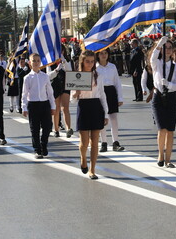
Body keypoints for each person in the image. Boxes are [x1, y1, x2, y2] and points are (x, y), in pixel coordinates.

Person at [71, 50, 109, 179]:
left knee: (95, 141)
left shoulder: (98, 75)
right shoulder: (77, 76)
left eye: (92, 61)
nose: (90, 64)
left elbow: (102, 95)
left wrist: (106, 114)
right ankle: (83, 158)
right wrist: (76, 93)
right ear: (82, 62)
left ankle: (92, 170)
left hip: (96, 106)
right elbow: (73, 99)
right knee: (84, 142)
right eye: (87, 61)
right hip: (83, 106)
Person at [150, 37, 176, 168]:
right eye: (165, 47)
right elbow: (152, 58)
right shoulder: (156, 63)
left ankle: (168, 159)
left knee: (170, 130)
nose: (167, 50)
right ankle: (160, 155)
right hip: (158, 97)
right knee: (161, 129)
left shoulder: (175, 66)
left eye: (169, 48)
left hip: (171, 97)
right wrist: (159, 45)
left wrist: (168, 84)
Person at [22, 53, 56, 159]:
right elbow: (24, 94)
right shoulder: (27, 78)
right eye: (34, 61)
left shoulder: (45, 76)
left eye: (38, 60)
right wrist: (24, 107)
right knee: (35, 128)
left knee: (47, 127)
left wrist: (53, 106)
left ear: (40, 62)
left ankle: (44, 145)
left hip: (44, 104)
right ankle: (37, 149)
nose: (36, 63)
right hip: (33, 104)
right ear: (30, 63)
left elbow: (50, 92)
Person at [96, 49, 125, 152]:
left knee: (113, 118)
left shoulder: (112, 67)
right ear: (98, 55)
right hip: (100, 93)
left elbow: (117, 82)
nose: (103, 55)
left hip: (111, 92)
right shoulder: (95, 68)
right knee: (101, 119)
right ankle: (103, 142)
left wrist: (120, 97)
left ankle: (115, 142)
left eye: (105, 53)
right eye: (101, 53)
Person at [49, 55, 73, 138]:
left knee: (65, 107)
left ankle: (68, 129)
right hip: (55, 85)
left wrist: (64, 62)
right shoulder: (50, 62)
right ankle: (56, 129)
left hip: (65, 85)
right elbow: (48, 76)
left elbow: (70, 71)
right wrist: (56, 70)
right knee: (56, 109)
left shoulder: (66, 60)